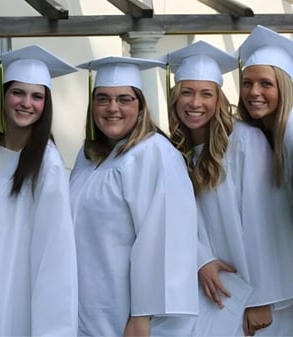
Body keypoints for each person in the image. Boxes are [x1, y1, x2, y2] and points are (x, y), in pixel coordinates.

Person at [161, 40, 293, 336]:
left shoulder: (244, 140)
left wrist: (262, 299)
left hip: (252, 298)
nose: (195, 103)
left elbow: (266, 222)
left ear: (219, 99)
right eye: (186, 93)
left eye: (206, 94)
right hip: (208, 288)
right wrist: (200, 258)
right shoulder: (173, 150)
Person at [69, 56, 199, 337]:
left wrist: (143, 317)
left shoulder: (154, 153)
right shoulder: (89, 156)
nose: (112, 108)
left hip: (130, 316)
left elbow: (163, 241)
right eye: (102, 98)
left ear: (140, 106)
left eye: (124, 99)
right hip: (89, 308)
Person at [235, 25, 293, 336]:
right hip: (285, 279)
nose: (254, 92)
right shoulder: (252, 137)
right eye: (247, 83)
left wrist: (263, 295)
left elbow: (270, 224)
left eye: (266, 83)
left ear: (285, 88)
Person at [0, 45, 79, 336]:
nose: (27, 103)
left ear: (46, 105)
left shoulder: (47, 164)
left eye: (37, 96)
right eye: (18, 93)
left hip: (17, 294)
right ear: (3, 95)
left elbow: (55, 251)